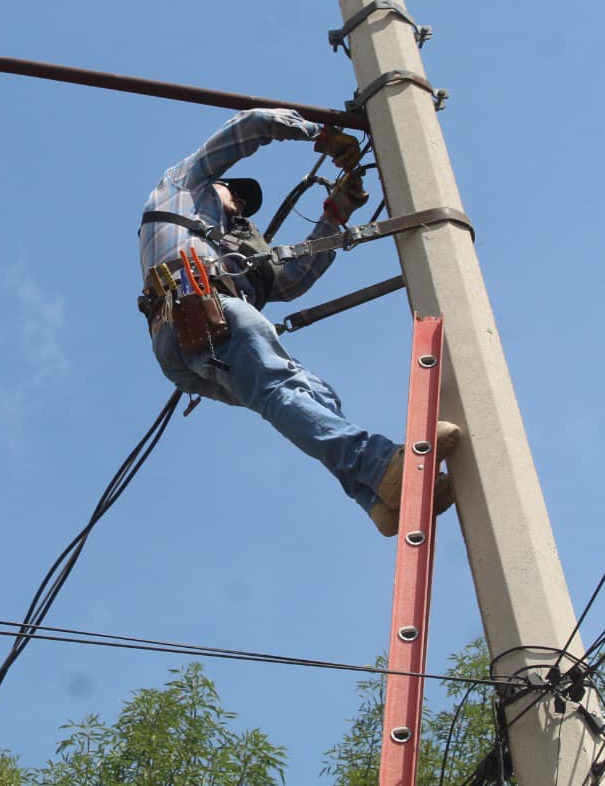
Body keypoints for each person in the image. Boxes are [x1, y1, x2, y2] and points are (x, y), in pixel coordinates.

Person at [138, 108, 451, 534]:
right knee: (280, 388)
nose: (243, 205)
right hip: (196, 307)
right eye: (238, 195)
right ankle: (378, 467)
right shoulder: (182, 186)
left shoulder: (229, 250)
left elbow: (291, 281)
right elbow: (246, 126)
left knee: (311, 393)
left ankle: (376, 497)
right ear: (216, 184)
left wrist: (336, 211)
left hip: (188, 344)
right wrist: (317, 133)